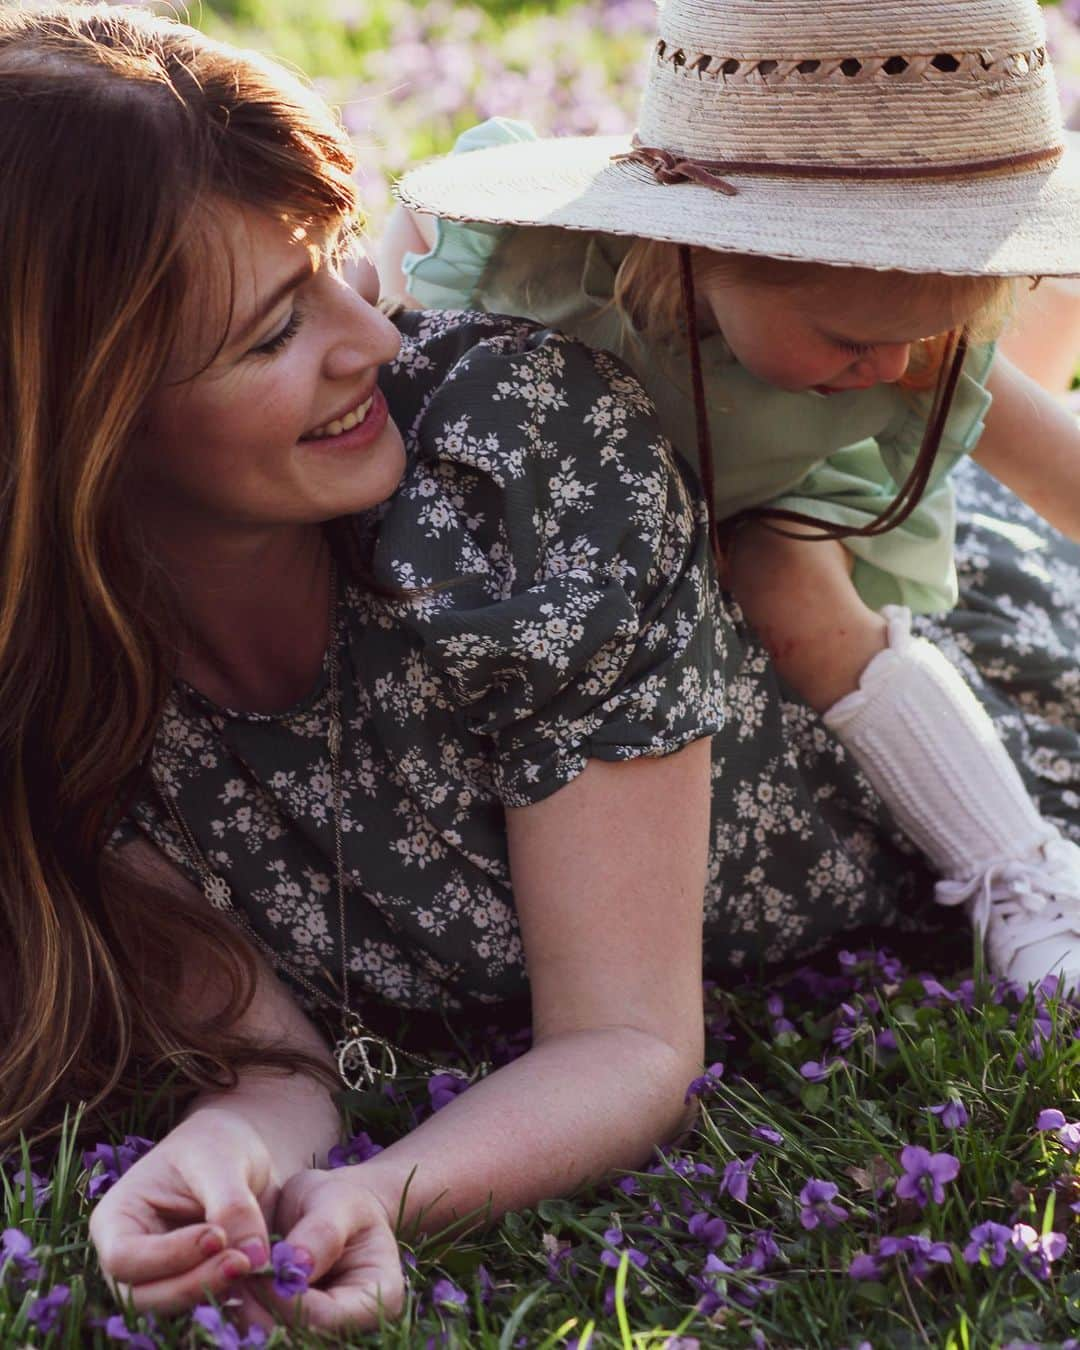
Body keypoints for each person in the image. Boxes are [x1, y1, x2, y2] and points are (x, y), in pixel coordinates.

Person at [2, 3, 1078, 1339]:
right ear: (82, 430)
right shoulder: (61, 685)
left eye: (340, 264)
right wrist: (224, 1157)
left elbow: (625, 1040)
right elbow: (275, 1067)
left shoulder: (517, 458)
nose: (376, 337)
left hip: (907, 680)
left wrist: (394, 1191)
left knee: (941, 409)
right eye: (274, 333)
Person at [388, 0, 1080, 993]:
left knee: (795, 594)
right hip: (579, 540)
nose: (888, 364)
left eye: (921, 337)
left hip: (765, 505)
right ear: (693, 255)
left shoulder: (906, 337)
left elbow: (1059, 472)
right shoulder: (529, 271)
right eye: (849, 344)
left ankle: (1017, 868)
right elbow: (390, 311)